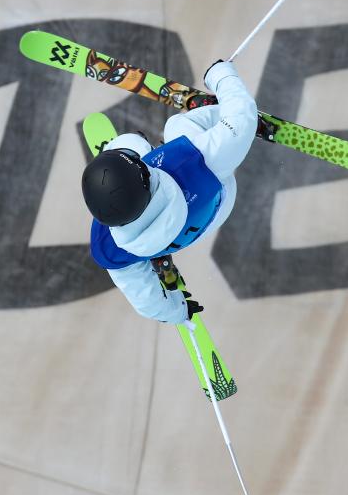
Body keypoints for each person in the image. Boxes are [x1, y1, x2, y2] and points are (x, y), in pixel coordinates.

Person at [81, 60, 258, 324]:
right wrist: (221, 75)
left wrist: (178, 311)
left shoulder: (107, 244)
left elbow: (146, 300)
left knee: (131, 143)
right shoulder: (193, 162)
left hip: (187, 226)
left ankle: (152, 250)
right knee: (176, 125)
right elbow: (242, 123)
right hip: (217, 194)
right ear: (143, 176)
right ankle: (218, 111)